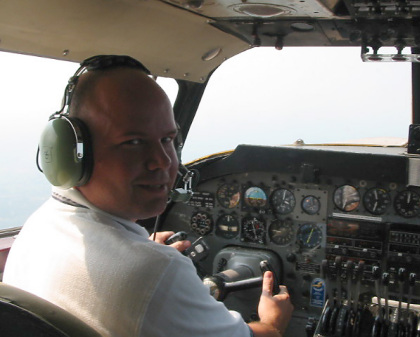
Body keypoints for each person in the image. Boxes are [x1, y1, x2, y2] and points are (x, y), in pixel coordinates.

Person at [3, 55, 293, 337]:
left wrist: (137, 246)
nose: (163, 162)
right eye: (133, 142)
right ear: (74, 155)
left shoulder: (39, 227)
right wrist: (272, 322)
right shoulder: (153, 272)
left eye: (167, 139)